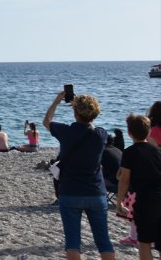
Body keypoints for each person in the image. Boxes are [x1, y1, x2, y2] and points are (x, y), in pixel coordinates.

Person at [43, 91, 115, 260]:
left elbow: (46, 121)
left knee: (73, 242)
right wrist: (79, 106)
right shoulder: (101, 135)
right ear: (95, 113)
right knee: (104, 241)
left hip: (70, 192)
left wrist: (57, 102)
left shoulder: (66, 132)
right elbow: (89, 123)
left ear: (75, 112)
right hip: (96, 191)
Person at [116, 114, 161, 260]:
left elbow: (124, 179)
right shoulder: (158, 151)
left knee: (144, 242)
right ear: (149, 132)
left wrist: (119, 202)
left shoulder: (130, 152)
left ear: (129, 133)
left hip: (145, 202)